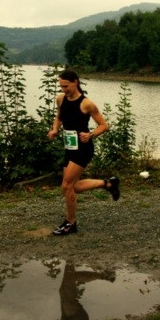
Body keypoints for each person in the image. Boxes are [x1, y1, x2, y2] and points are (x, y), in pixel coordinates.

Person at [47, 70, 120, 236]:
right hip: (70, 147)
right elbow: (59, 117)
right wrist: (55, 129)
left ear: (75, 82)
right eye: (61, 86)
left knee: (66, 186)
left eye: (66, 86)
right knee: (74, 186)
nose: (63, 89)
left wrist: (91, 135)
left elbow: (104, 125)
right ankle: (108, 184)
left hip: (83, 148)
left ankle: (70, 223)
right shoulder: (60, 99)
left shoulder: (86, 104)